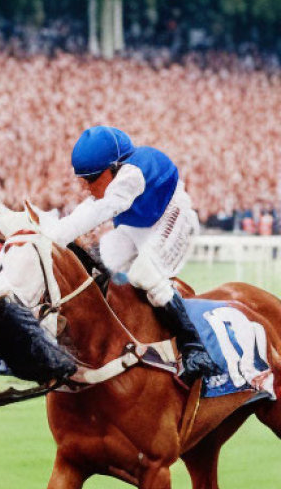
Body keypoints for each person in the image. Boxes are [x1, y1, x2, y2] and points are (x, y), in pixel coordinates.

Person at [44, 125, 217, 384]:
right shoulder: (115, 174)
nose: (85, 186)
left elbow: (102, 210)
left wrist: (53, 238)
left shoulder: (130, 176)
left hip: (173, 218)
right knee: (105, 258)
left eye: (90, 179)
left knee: (144, 274)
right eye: (82, 179)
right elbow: (88, 208)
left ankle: (194, 347)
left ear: (113, 169)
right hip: (141, 225)